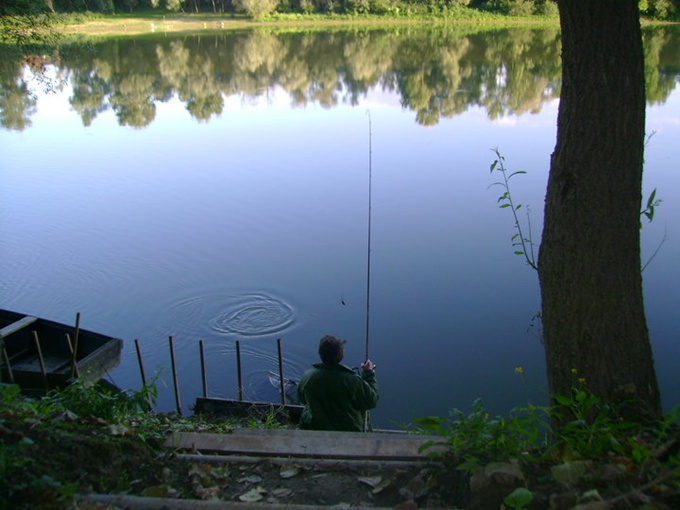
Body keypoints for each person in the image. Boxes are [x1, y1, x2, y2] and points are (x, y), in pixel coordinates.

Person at [297, 335, 378, 432]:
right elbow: (371, 401)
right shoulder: (352, 381)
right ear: (341, 355)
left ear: (320, 353)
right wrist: (369, 373)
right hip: (348, 431)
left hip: (314, 428)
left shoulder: (307, 376)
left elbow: (301, 398)